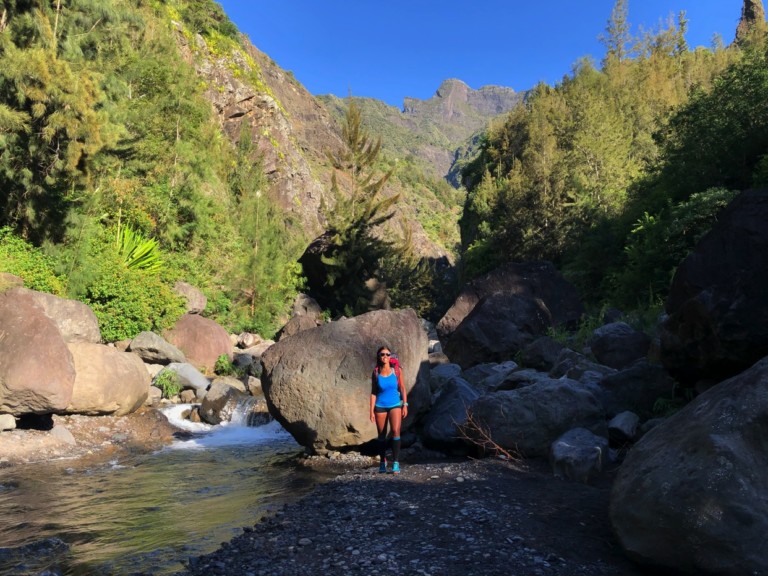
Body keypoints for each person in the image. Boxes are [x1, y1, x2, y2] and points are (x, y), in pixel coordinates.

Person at [369, 346, 408, 474]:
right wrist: (371, 411)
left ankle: (396, 462)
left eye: (387, 354)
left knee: (396, 431)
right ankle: (382, 461)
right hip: (380, 406)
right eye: (382, 354)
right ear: (379, 357)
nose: (385, 356)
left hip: (395, 404)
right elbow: (373, 393)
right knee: (381, 435)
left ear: (390, 356)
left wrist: (405, 404)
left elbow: (402, 388)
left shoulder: (396, 370)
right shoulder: (376, 372)